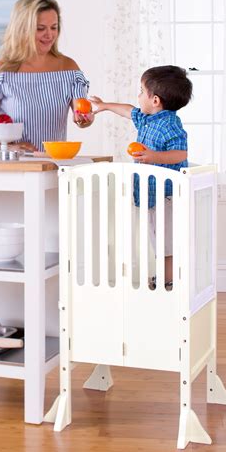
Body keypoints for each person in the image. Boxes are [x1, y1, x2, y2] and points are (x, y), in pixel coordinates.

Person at [90, 65, 192, 288]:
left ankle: (168, 280)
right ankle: (164, 277)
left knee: (165, 241)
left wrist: (155, 156)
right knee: (157, 238)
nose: (138, 97)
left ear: (155, 100)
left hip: (166, 196)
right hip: (151, 195)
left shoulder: (170, 124)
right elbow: (128, 111)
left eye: (141, 91)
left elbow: (180, 153)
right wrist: (104, 106)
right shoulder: (146, 118)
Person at [0, 0, 93, 152]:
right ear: (22, 29)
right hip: (14, 163)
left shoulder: (68, 68)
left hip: (53, 161)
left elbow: (82, 115)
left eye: (54, 27)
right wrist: (7, 147)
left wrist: (85, 118)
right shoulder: (2, 71)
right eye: (40, 28)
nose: (49, 35)